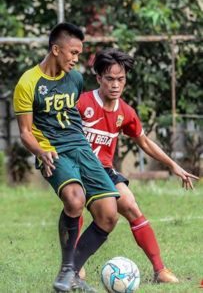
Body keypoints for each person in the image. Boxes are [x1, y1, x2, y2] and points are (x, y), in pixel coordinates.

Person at [13, 24, 120, 293]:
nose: (76, 59)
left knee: (109, 215)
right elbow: (25, 132)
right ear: (56, 49)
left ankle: (72, 273)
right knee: (74, 200)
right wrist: (40, 151)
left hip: (81, 148)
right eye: (73, 52)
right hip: (51, 150)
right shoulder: (28, 83)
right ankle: (67, 270)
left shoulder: (75, 79)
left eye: (79, 53)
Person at [77, 48, 199, 283]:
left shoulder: (125, 112)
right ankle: (72, 266)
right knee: (77, 203)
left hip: (104, 171)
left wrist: (173, 165)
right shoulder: (82, 103)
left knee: (131, 205)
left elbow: (144, 141)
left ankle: (160, 270)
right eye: (110, 79)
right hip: (78, 169)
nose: (115, 85)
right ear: (99, 78)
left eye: (120, 79)